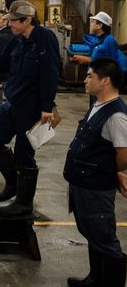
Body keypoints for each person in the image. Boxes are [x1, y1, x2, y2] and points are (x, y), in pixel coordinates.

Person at [0, 0, 60, 217]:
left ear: (27, 20)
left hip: (33, 107)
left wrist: (47, 105)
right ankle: (13, 183)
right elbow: (2, 62)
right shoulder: (16, 40)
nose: (10, 25)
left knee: (24, 155)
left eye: (14, 21)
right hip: (13, 102)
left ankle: (24, 203)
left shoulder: (45, 39)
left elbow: (51, 72)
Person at [64, 58, 127, 287]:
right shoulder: (98, 105)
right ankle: (95, 279)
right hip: (84, 183)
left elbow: (124, 155)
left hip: (97, 188)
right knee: (92, 233)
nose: (85, 80)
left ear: (106, 80)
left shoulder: (117, 115)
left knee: (104, 237)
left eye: (89, 76)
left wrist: (114, 172)